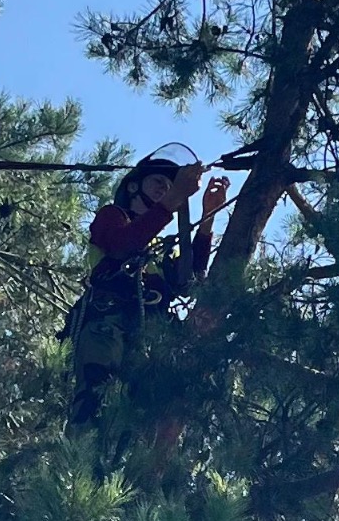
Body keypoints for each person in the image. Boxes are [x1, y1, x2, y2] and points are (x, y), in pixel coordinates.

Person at [65, 147, 229, 426]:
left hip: (144, 342)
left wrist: (207, 217)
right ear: (133, 186)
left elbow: (188, 282)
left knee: (135, 424)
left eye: (168, 186)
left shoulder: (156, 250)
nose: (163, 189)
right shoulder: (112, 216)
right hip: (109, 325)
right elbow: (122, 245)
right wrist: (175, 198)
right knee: (93, 401)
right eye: (157, 182)